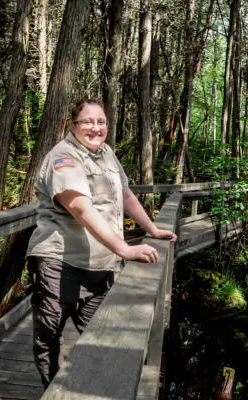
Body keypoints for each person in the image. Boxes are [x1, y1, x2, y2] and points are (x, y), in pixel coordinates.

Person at [25, 99, 177, 388]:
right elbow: (81, 208)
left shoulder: (106, 153)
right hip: (60, 263)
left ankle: (95, 388)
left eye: (101, 121)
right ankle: (53, 391)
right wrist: (124, 248)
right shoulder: (64, 157)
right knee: (49, 336)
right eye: (88, 122)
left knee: (104, 336)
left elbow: (126, 195)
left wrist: (153, 229)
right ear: (72, 125)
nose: (96, 128)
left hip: (99, 264)